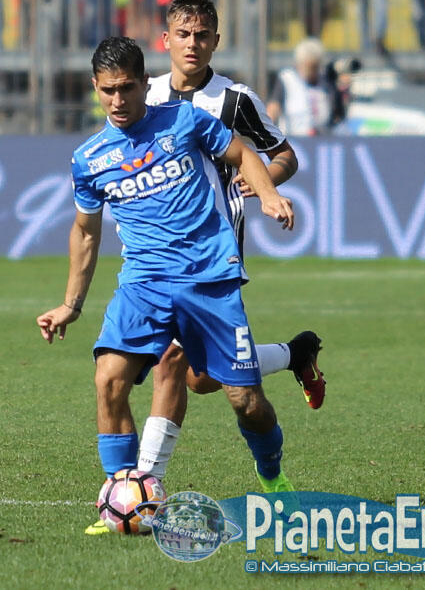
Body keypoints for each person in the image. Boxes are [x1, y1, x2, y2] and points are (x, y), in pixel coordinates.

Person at [36, 37, 297, 534]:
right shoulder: (89, 158)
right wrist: (71, 303)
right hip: (144, 283)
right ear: (95, 87)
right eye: (107, 90)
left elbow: (242, 154)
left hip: (208, 277)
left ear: (144, 83)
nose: (117, 100)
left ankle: (272, 474)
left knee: (245, 401)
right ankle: (122, 499)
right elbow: (86, 232)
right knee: (109, 379)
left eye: (126, 88)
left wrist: (267, 194)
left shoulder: (183, 120)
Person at [135, 0, 326, 505]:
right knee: (186, 370)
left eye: (202, 35)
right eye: (183, 34)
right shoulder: (145, 96)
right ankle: (142, 491)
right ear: (166, 39)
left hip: (214, 254)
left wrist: (265, 184)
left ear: (216, 41)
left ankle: (265, 477)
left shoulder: (234, 100)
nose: (192, 44)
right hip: (160, 253)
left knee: (213, 383)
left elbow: (284, 155)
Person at [267, 37, 340, 136]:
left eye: (315, 67)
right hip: (294, 137)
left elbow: (336, 113)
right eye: (309, 67)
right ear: (299, 64)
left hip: (322, 138)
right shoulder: (287, 79)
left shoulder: (326, 81)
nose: (312, 71)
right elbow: (274, 106)